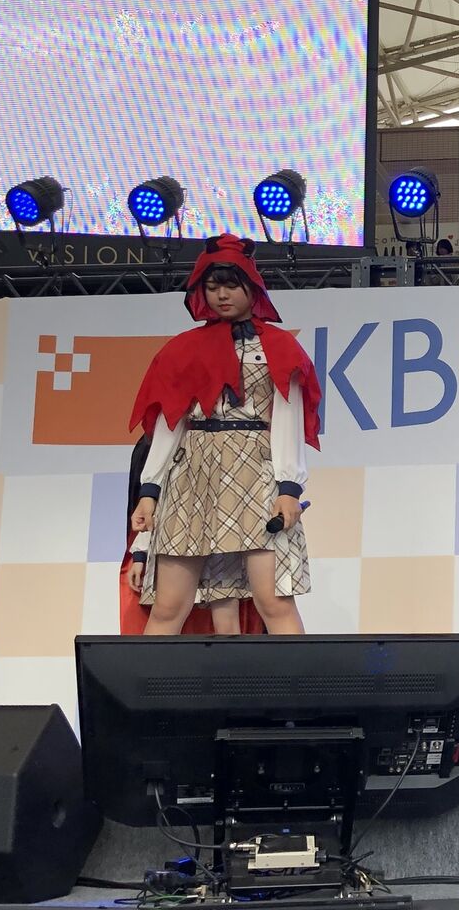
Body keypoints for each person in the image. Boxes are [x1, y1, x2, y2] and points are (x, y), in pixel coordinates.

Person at [128, 234, 322, 635]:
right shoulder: (183, 349)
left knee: (274, 601)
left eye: (231, 285)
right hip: (192, 473)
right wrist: (149, 490)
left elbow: (287, 418)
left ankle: (299, 680)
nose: (221, 295)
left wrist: (289, 487)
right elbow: (170, 422)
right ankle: (147, 679)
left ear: (252, 288)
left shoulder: (279, 347)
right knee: (168, 606)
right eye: (212, 287)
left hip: (254, 471)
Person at [121, 434, 262, 635]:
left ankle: (229, 658)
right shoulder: (178, 451)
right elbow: (156, 510)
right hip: (186, 525)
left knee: (226, 615)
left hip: (224, 529)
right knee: (168, 611)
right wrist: (139, 554)